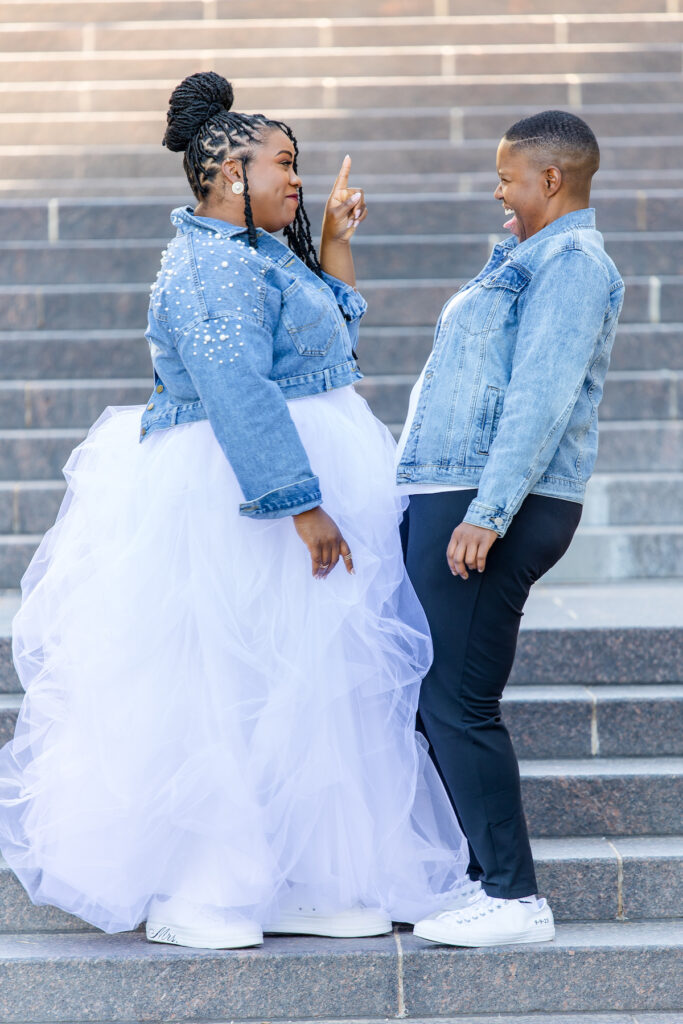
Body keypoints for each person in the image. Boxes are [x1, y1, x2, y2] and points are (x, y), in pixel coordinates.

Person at [0, 71, 475, 951]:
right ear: (229, 175)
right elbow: (236, 390)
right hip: (234, 495)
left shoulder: (258, 256)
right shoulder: (206, 264)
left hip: (284, 480)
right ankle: (202, 887)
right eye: (283, 165)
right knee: (224, 682)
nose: (296, 180)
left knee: (303, 682)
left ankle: (300, 876)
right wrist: (300, 505)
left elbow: (331, 342)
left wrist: (332, 241)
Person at [398, 111, 625, 947]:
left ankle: (514, 897)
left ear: (550, 180)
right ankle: (478, 878)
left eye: (506, 177)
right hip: (454, 491)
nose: (497, 190)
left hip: (493, 501)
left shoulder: (571, 263)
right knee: (435, 698)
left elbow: (539, 394)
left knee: (458, 702)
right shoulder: (528, 258)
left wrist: (485, 512)